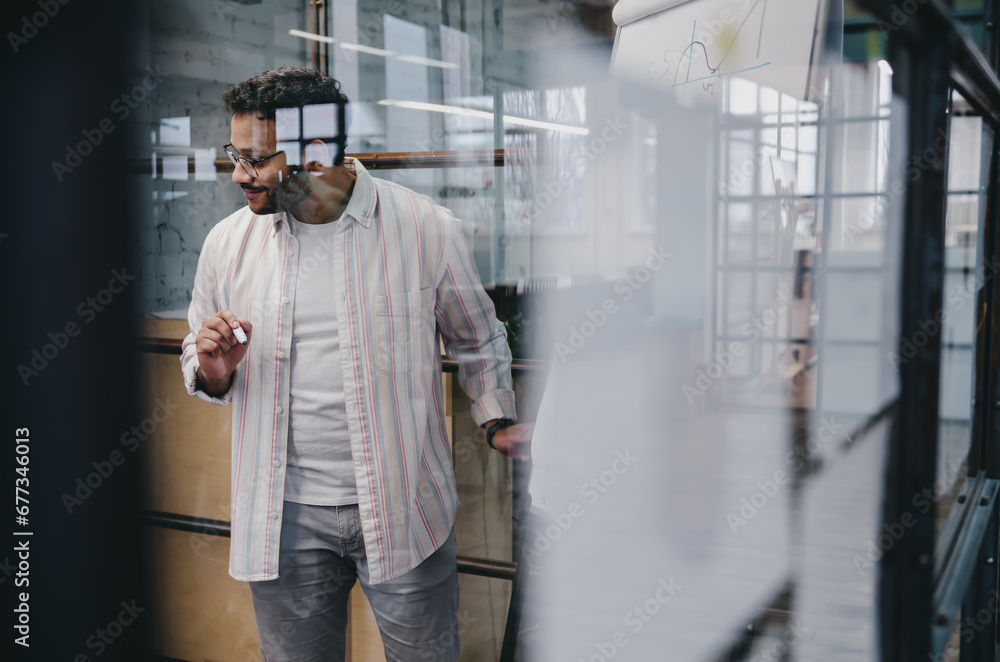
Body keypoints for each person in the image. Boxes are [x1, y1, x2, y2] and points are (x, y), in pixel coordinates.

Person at [179, 66, 532, 661]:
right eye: (234, 155)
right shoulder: (227, 243)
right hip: (283, 516)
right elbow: (199, 349)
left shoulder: (425, 230)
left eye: (258, 160)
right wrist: (216, 368)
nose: (240, 176)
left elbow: (477, 337)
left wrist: (496, 420)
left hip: (404, 507)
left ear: (317, 154)